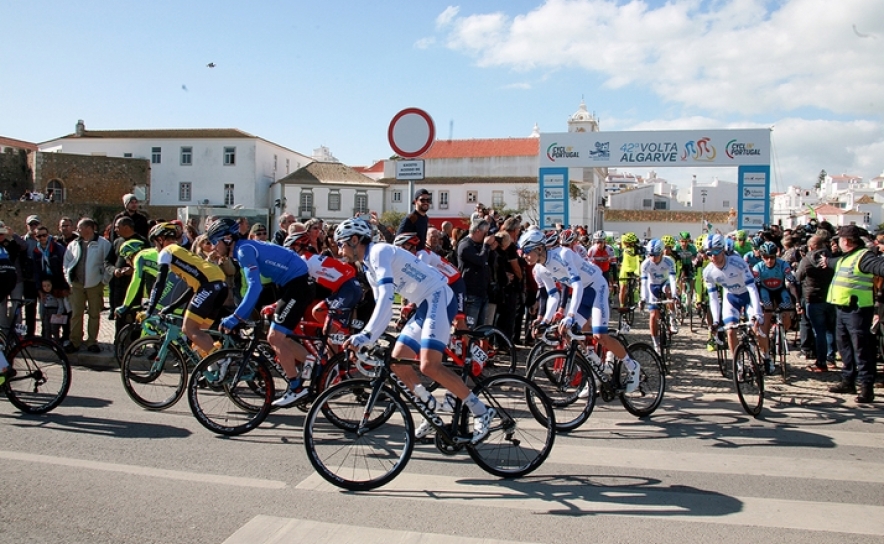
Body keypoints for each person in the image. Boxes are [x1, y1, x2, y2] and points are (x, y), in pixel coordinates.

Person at [336, 218, 496, 444]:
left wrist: (367, 336)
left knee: (429, 365)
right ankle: (431, 411)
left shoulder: (379, 251)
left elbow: (386, 297)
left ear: (354, 240)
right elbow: (380, 303)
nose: (339, 249)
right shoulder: (368, 267)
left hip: (439, 296)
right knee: (398, 361)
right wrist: (369, 338)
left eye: (341, 243)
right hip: (424, 304)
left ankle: (481, 411)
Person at [208, 218, 316, 406]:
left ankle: (296, 388)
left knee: (275, 338)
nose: (212, 247)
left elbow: (255, 287)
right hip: (292, 284)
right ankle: (317, 368)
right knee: (284, 338)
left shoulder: (244, 251)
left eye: (213, 242)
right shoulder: (244, 247)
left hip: (297, 285)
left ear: (226, 239)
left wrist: (236, 317)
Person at [518, 229, 641, 395]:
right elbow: (553, 296)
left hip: (596, 288)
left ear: (539, 248)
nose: (523, 256)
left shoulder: (563, 255)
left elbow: (575, 285)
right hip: (582, 293)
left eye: (526, 251)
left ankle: (632, 366)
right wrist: (545, 321)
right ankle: (597, 371)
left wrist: (570, 315)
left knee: (600, 336)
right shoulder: (539, 269)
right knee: (569, 334)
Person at [144, 222, 228, 359]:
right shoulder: (181, 252)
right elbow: (192, 289)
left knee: (188, 329)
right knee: (199, 334)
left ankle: (222, 360)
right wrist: (171, 307)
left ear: (160, 239)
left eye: (155, 243)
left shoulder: (166, 252)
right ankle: (215, 374)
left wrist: (149, 309)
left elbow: (159, 283)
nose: (155, 247)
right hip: (220, 286)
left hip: (209, 286)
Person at [822, 225, 884, 403]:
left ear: (846, 241)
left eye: (839, 239)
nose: (837, 242)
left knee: (861, 349)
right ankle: (848, 380)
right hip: (842, 309)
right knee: (845, 347)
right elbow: (834, 263)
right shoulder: (846, 258)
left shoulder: (864, 257)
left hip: (857, 310)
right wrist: (826, 262)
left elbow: (879, 267)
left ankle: (866, 387)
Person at [702, 234, 763, 360]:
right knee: (730, 331)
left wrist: (757, 313)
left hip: (747, 296)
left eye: (717, 251)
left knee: (756, 328)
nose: (713, 256)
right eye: (709, 253)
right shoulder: (708, 272)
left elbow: (752, 288)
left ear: (723, 250)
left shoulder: (738, 263)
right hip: (731, 298)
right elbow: (713, 297)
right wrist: (715, 321)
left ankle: (765, 357)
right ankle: (738, 363)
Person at [62, 218, 113, 353]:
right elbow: (67, 262)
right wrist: (68, 277)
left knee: (94, 314)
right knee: (76, 314)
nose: (77, 230)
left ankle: (92, 342)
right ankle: (75, 341)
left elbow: (108, 264)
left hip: (95, 284)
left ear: (89, 229)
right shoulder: (73, 244)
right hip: (77, 284)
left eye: (79, 228)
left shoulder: (103, 244)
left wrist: (104, 281)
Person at [752, 241, 798, 374]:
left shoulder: (783, 265)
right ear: (761, 257)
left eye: (772, 257)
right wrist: (758, 305)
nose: (769, 260)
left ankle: (781, 329)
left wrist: (796, 302)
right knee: (765, 312)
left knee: (786, 305)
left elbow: (791, 283)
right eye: (766, 257)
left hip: (780, 290)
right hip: (765, 291)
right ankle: (766, 352)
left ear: (776, 255)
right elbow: (756, 287)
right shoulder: (757, 268)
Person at [795, 234, 836, 373]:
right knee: (830, 330)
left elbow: (798, 277)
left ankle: (821, 362)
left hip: (813, 299)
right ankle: (831, 358)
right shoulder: (832, 259)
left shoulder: (806, 260)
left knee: (819, 332)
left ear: (811, 247)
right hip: (831, 298)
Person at [640, 239, 679, 352]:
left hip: (665, 283)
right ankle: (655, 342)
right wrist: (643, 298)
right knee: (653, 315)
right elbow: (644, 283)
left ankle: (672, 318)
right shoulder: (645, 264)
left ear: (662, 252)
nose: (653, 258)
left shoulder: (669, 261)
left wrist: (674, 295)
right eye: (650, 255)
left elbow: (672, 279)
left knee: (669, 291)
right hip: (652, 286)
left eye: (656, 255)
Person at [457, 219, 497, 328]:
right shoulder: (465, 245)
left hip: (482, 292)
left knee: (481, 329)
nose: (487, 236)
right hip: (471, 294)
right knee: (470, 328)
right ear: (478, 231)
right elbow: (481, 261)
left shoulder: (479, 246)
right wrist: (486, 246)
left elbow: (489, 263)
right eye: (486, 233)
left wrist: (491, 249)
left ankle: (477, 345)